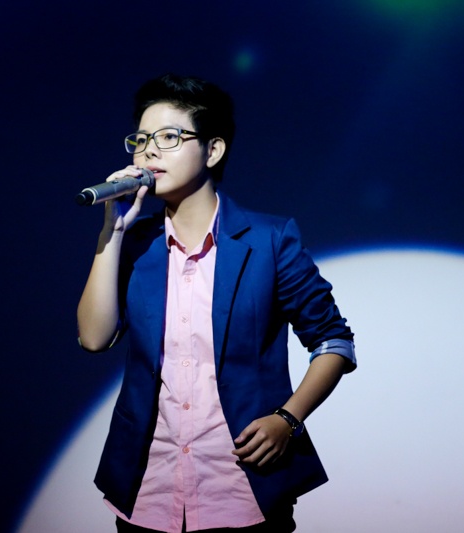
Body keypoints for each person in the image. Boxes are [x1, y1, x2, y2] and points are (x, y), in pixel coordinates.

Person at [76, 74, 356, 533]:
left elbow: (334, 342)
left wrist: (288, 419)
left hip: (242, 491)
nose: (149, 152)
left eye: (168, 137)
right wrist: (114, 230)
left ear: (213, 150)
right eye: (141, 140)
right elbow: (93, 337)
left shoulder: (268, 239)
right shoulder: (135, 244)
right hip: (148, 492)